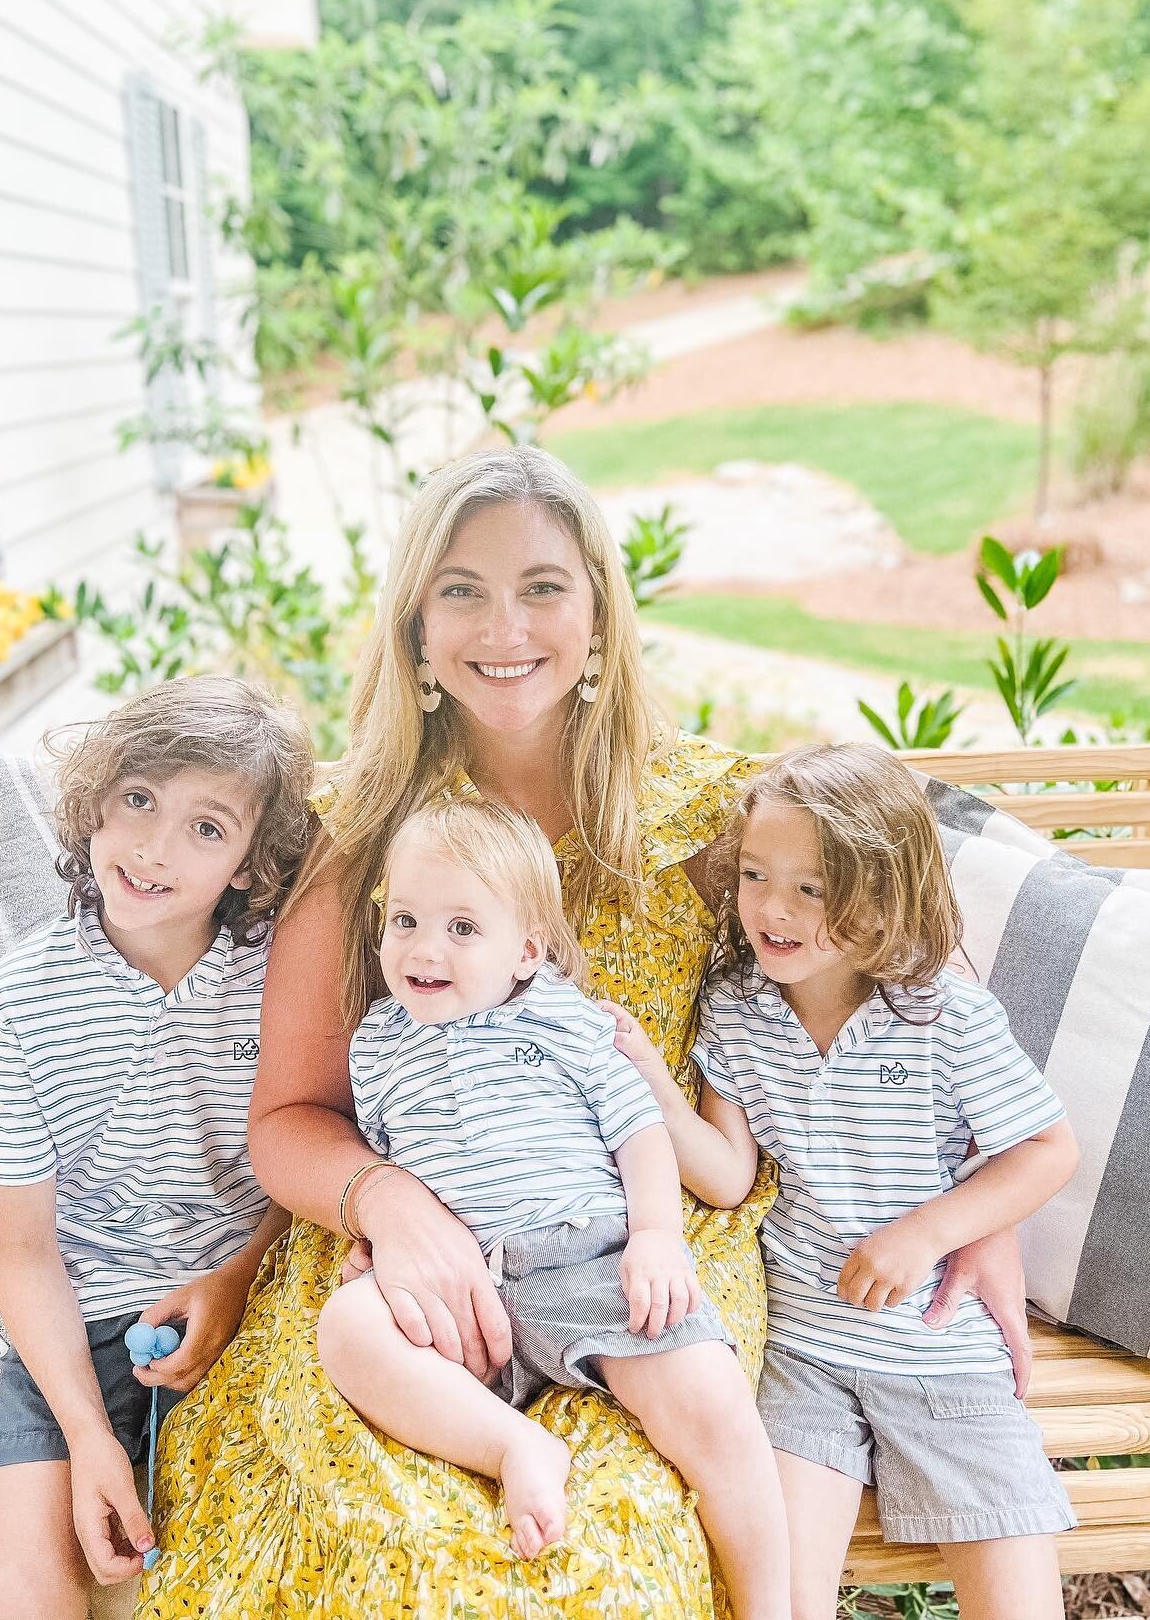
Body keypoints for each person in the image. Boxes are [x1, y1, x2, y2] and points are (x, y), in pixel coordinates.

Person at [147, 447, 1033, 1620]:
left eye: (543, 587)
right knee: (388, 1549)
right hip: (419, 1252)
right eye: (460, 588)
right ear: (415, 629)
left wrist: (978, 1220)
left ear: (602, 616)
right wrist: (390, 1211)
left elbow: (901, 982)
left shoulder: (716, 821)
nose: (503, 624)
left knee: (610, 1560)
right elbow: (291, 1118)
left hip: (646, 1248)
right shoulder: (359, 839)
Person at [614, 743, 1080, 1620]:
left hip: (942, 1354)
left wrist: (925, 1233)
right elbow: (725, 1177)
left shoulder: (941, 1011)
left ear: (883, 891)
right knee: (779, 1600)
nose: (773, 910)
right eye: (755, 875)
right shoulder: (738, 1006)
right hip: (803, 1355)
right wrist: (645, 1080)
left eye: (811, 888)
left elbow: (1047, 1150)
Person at [316, 799, 791, 1611]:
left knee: (715, 1407)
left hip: (586, 1262)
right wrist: (376, 1246)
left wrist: (655, 1238)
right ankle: (514, 1444)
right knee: (346, 1328)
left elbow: (638, 1127)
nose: (425, 948)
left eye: (463, 928)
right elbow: (393, 1163)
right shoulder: (378, 1040)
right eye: (405, 920)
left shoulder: (560, 1016)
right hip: (466, 1289)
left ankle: (770, 1605)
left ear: (526, 950)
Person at [0, 677, 316, 1620]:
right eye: (139, 800)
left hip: (253, 1302)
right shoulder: (23, 999)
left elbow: (315, 1150)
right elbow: (24, 1248)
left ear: (251, 864)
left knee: (234, 1569)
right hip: (73, 1324)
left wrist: (238, 1279)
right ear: (97, 800)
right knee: (28, 1582)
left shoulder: (280, 976)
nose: (153, 848)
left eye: (206, 828)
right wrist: (87, 1434)